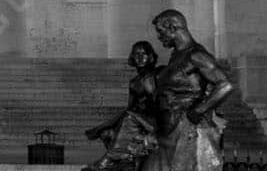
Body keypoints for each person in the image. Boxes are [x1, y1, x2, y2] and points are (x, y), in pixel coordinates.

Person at [142, 9, 233, 171]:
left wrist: (199, 110)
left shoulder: (196, 54)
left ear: (172, 28)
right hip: (168, 129)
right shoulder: (177, 54)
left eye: (161, 31)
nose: (158, 36)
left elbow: (225, 85)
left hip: (187, 130)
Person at [84, 40, 160, 171]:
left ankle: (109, 159)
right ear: (132, 57)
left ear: (150, 57)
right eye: (137, 54)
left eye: (144, 53)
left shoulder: (156, 75)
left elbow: (159, 103)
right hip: (138, 120)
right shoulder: (133, 82)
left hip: (154, 120)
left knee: (129, 117)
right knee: (106, 133)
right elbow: (130, 107)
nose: (140, 57)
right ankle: (124, 163)